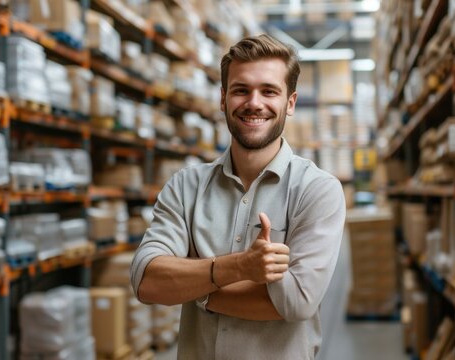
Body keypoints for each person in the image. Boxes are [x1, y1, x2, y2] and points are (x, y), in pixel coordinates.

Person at [130, 34, 345, 359]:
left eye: (269, 91)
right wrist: (241, 267)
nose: (254, 103)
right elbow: (147, 281)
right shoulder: (185, 187)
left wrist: (198, 290)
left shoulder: (317, 190)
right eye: (241, 90)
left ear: (290, 102)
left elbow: (298, 301)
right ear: (223, 98)